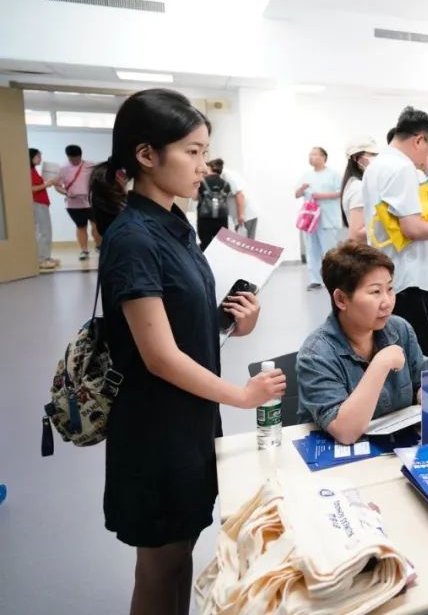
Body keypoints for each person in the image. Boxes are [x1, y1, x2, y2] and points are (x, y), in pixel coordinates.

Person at [93, 89, 286, 615]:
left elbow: (185, 323)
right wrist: (242, 396)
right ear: (146, 155)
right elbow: (159, 355)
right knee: (160, 567)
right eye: (193, 152)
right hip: (156, 430)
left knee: (180, 558)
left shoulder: (175, 224)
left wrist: (237, 322)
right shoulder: (133, 239)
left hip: (190, 421)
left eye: (205, 152)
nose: (204, 167)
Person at [362, 106, 428, 369]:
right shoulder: (402, 168)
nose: (426, 158)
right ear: (419, 140)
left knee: (399, 353)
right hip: (410, 279)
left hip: (388, 273)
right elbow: (411, 229)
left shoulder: (376, 166)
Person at [296, 241, 427, 444]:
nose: (387, 302)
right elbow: (345, 432)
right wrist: (380, 364)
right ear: (341, 299)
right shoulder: (315, 354)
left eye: (390, 289)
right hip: (343, 458)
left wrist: (427, 396)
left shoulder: (400, 329)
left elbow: (422, 382)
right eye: (375, 292)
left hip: (399, 448)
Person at [294, 146, 343, 290]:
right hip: (310, 220)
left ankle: (333, 279)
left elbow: (341, 192)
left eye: (315, 154)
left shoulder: (333, 174)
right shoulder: (306, 175)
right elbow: (296, 194)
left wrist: (323, 195)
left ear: (324, 157)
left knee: (330, 251)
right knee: (311, 249)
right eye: (310, 155)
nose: (311, 157)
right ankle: (315, 280)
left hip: (328, 218)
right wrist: (302, 189)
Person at [56, 144, 101, 261]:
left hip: (91, 202)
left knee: (96, 225)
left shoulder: (91, 165)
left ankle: (99, 246)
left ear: (81, 156)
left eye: (77, 159)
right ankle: (84, 251)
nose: (75, 161)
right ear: (68, 157)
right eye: (72, 159)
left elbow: (99, 179)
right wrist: (66, 193)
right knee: (81, 227)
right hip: (73, 205)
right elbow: (57, 186)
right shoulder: (62, 168)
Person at [341, 138, 380, 242]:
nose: (375, 158)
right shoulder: (358, 187)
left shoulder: (360, 184)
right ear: (355, 158)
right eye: (371, 154)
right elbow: (356, 234)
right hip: (367, 248)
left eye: (376, 154)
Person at [29, 148, 60, 270]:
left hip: (42, 203)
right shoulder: (28, 171)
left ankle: (46, 257)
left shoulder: (34, 171)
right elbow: (31, 189)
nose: (40, 158)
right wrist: (47, 184)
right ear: (31, 157)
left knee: (46, 230)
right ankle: (41, 260)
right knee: (43, 232)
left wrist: (48, 183)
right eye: (38, 156)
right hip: (37, 203)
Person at [195, 158, 231, 251]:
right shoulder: (226, 184)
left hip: (205, 219)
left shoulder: (201, 182)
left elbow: (194, 197)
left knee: (205, 244)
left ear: (211, 168)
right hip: (222, 219)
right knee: (221, 246)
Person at [220, 164, 259, 238]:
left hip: (246, 215)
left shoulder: (226, 175)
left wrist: (241, 215)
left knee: (247, 242)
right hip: (240, 215)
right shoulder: (222, 175)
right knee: (242, 241)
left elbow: (239, 195)